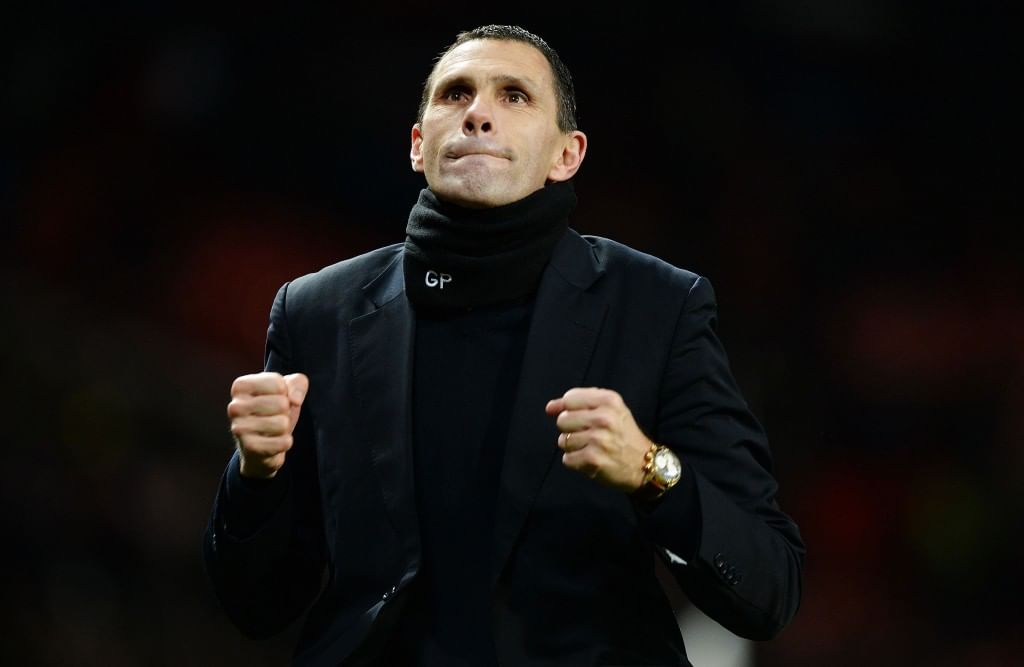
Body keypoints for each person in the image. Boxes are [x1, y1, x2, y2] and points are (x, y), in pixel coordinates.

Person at [203, 24, 805, 666]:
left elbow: (768, 589)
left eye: (515, 96)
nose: (478, 115)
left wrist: (651, 470)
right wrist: (256, 475)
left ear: (566, 155)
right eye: (454, 94)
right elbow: (255, 606)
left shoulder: (657, 306)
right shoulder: (317, 311)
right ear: (417, 145)